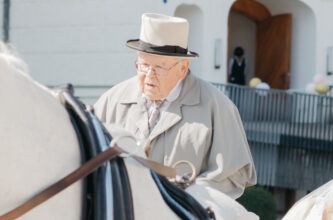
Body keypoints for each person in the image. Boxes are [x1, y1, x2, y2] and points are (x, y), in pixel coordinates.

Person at [95, 13, 255, 198]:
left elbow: (232, 176)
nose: (149, 75)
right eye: (143, 64)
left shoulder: (218, 107)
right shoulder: (112, 100)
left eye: (159, 68)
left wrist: (179, 196)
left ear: (183, 68)